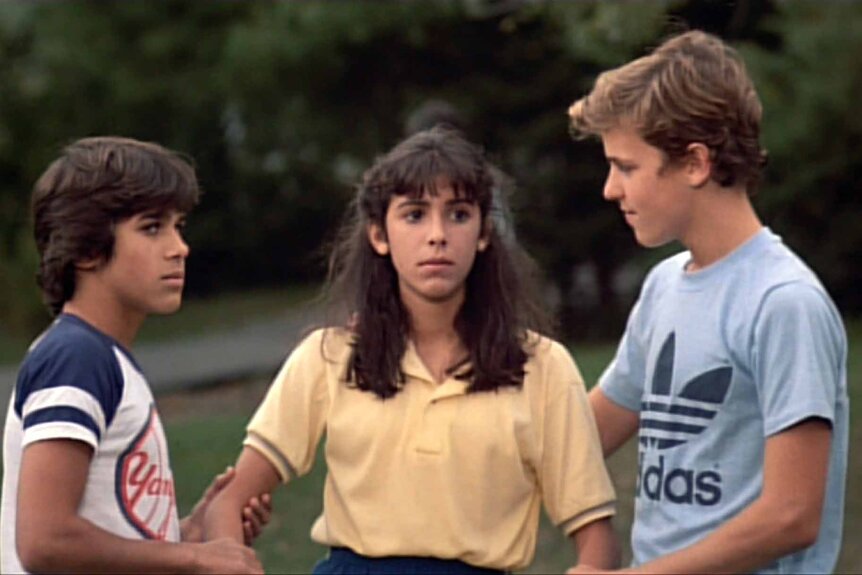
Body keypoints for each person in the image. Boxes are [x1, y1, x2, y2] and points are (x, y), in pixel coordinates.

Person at [204, 126, 619, 574]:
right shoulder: (328, 357)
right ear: (379, 235)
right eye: (415, 214)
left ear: (483, 233)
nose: (437, 235)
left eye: (458, 214)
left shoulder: (542, 366)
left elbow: (596, 536)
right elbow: (229, 501)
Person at [566, 30, 848, 574]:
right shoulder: (664, 285)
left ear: (694, 163)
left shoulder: (784, 303)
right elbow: (584, 434)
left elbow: (792, 515)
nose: (609, 189)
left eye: (626, 167)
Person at [1, 136, 270, 574]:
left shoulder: (108, 359)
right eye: (151, 227)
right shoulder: (76, 357)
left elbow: (105, 537)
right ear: (87, 248)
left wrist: (187, 533)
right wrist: (194, 559)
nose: (179, 247)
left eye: (178, 226)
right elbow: (44, 541)